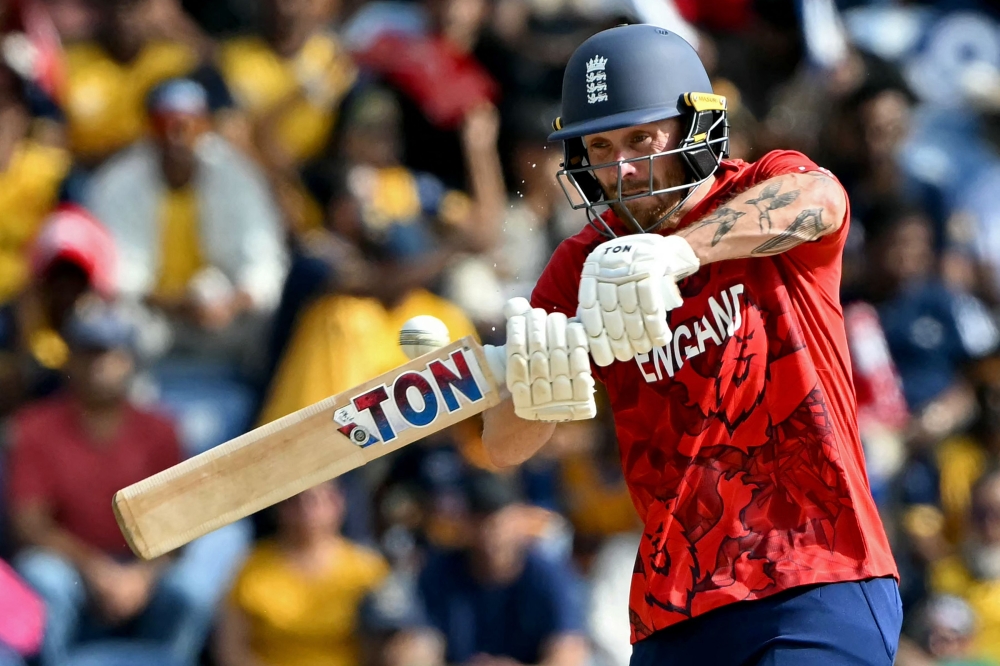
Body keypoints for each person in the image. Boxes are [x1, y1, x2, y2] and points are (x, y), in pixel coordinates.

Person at [479, 24, 901, 665]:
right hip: (676, 607)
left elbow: (821, 200)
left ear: (694, 129)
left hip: (818, 572)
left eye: (641, 139)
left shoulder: (761, 187)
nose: (620, 168)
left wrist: (678, 251)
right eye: (599, 145)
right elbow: (503, 447)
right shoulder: (580, 264)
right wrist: (541, 395)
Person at [6, 298, 249, 666]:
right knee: (43, 577)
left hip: (145, 565)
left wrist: (141, 577)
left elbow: (180, 525)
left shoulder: (161, 429)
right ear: (70, 358)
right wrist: (96, 570)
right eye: (89, 352)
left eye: (111, 352)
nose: (100, 364)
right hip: (73, 565)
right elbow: (31, 525)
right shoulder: (35, 427)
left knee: (191, 588)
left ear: (131, 360)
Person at [412, 472, 589, 666]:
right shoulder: (439, 570)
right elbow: (419, 643)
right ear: (464, 522)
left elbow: (569, 651)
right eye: (479, 521)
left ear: (520, 519)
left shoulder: (550, 574)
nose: (490, 533)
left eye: (498, 521)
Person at [216, 480, 389, 666]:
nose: (305, 511)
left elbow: (383, 644)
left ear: (337, 503)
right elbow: (231, 648)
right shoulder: (250, 566)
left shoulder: (367, 567)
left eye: (314, 500)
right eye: (294, 501)